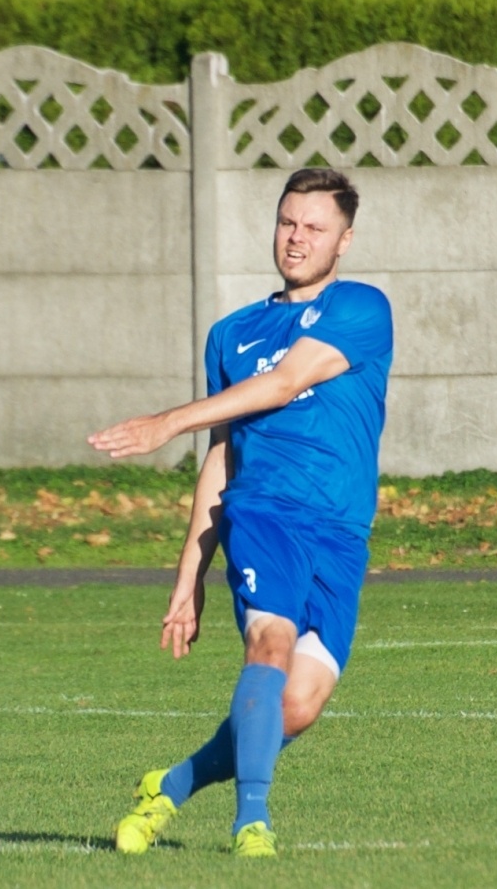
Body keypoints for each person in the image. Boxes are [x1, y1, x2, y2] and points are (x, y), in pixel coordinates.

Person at [87, 167, 393, 859]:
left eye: (314, 227)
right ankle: (251, 823)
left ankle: (169, 784)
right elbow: (222, 458)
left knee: (297, 706)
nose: (296, 238)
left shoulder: (363, 309)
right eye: (288, 222)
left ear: (344, 240)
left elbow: (284, 383)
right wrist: (189, 575)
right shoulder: (233, 333)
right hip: (264, 517)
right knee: (269, 644)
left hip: (341, 533)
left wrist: (168, 421)